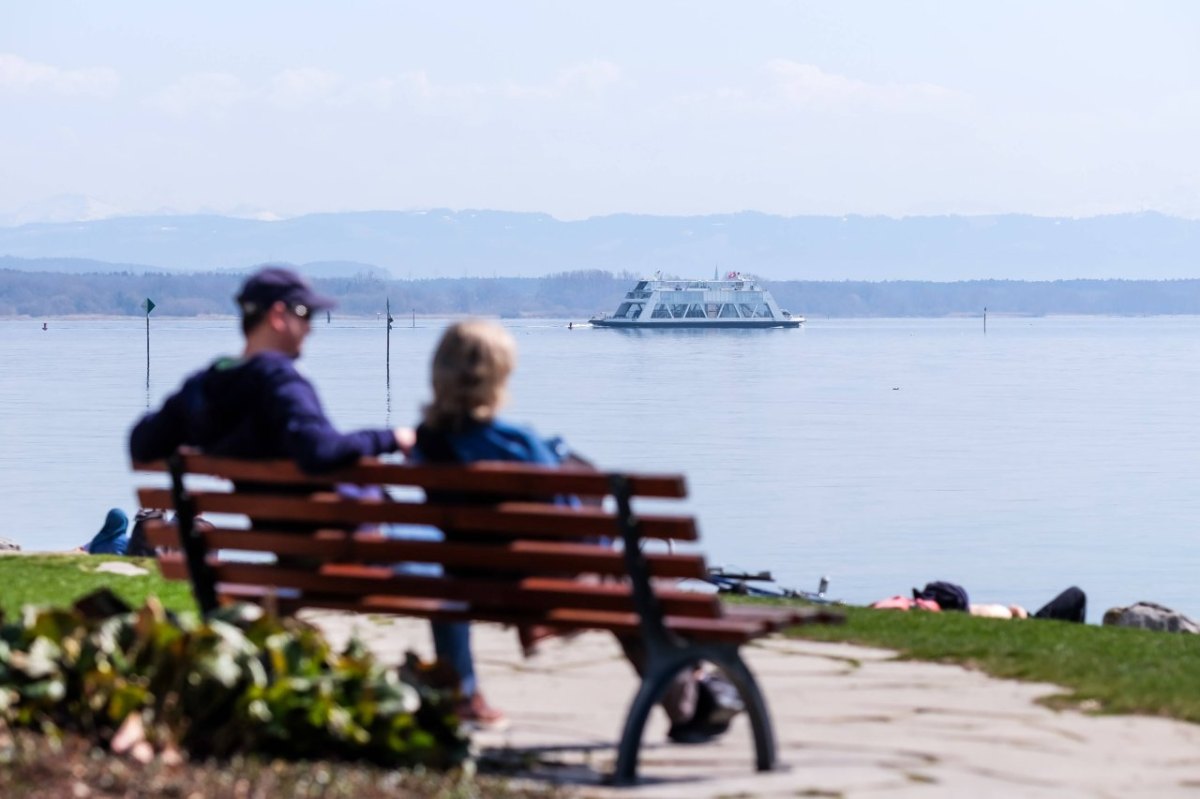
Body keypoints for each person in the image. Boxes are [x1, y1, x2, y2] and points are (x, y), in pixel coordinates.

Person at [410, 320, 739, 740]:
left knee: (632, 584)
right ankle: (694, 694)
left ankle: (693, 693)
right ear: (499, 375)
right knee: (637, 579)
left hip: (469, 580)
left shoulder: (426, 443)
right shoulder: (518, 443)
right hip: (546, 583)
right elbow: (577, 533)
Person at [129, 265, 412, 470]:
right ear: (277, 315)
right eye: (304, 313)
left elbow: (142, 444)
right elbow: (321, 450)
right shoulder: (280, 381)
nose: (309, 327)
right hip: (320, 538)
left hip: (256, 532)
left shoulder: (205, 386)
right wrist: (393, 437)